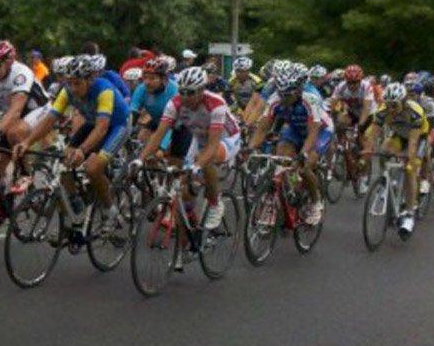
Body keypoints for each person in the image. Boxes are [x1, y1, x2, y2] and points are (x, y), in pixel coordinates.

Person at [14, 55, 130, 238]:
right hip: (93, 123)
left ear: (89, 80)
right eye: (69, 83)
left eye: (77, 83)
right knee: (63, 162)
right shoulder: (67, 91)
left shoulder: (104, 90)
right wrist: (27, 142)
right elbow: (50, 119)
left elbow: (101, 129)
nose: (73, 89)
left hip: (117, 126)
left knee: (93, 168)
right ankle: (77, 213)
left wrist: (82, 150)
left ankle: (110, 210)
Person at [134, 66, 241, 231]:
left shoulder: (215, 104)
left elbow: (212, 146)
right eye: (182, 91)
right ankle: (189, 232)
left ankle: (215, 204)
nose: (185, 97)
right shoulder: (175, 103)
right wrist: (139, 160)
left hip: (226, 138)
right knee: (182, 189)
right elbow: (159, 135)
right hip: (199, 139)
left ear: (201, 90)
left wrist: (197, 166)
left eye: (190, 93)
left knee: (205, 163)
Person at [246, 66, 333, 226]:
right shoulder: (276, 98)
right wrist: (249, 149)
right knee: (281, 160)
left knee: (304, 166)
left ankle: (315, 202)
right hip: (295, 129)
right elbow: (262, 129)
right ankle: (283, 195)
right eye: (281, 94)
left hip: (320, 131)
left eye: (288, 94)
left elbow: (313, 132)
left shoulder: (311, 98)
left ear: (299, 90)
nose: (284, 98)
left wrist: (303, 154)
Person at [364, 82, 429, 237]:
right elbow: (373, 133)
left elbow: (412, 143)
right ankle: (384, 180)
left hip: (418, 138)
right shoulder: (382, 111)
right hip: (399, 135)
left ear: (404, 102)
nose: (391, 109)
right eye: (388, 105)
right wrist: (368, 149)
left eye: (394, 105)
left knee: (409, 170)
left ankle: (409, 213)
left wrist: (409, 157)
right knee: (384, 150)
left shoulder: (414, 112)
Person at [0, 40, 50, 175]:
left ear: (8, 63)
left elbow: (15, 111)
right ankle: (5, 193)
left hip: (38, 109)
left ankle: (26, 175)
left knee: (14, 133)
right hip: (15, 113)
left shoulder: (21, 73)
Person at [128, 56, 178, 147]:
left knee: (158, 152)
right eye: (145, 77)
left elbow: (171, 123)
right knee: (140, 141)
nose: (147, 82)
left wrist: (161, 146)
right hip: (156, 120)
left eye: (152, 78)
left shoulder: (174, 90)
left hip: (175, 124)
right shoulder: (141, 88)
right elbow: (133, 113)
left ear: (164, 79)